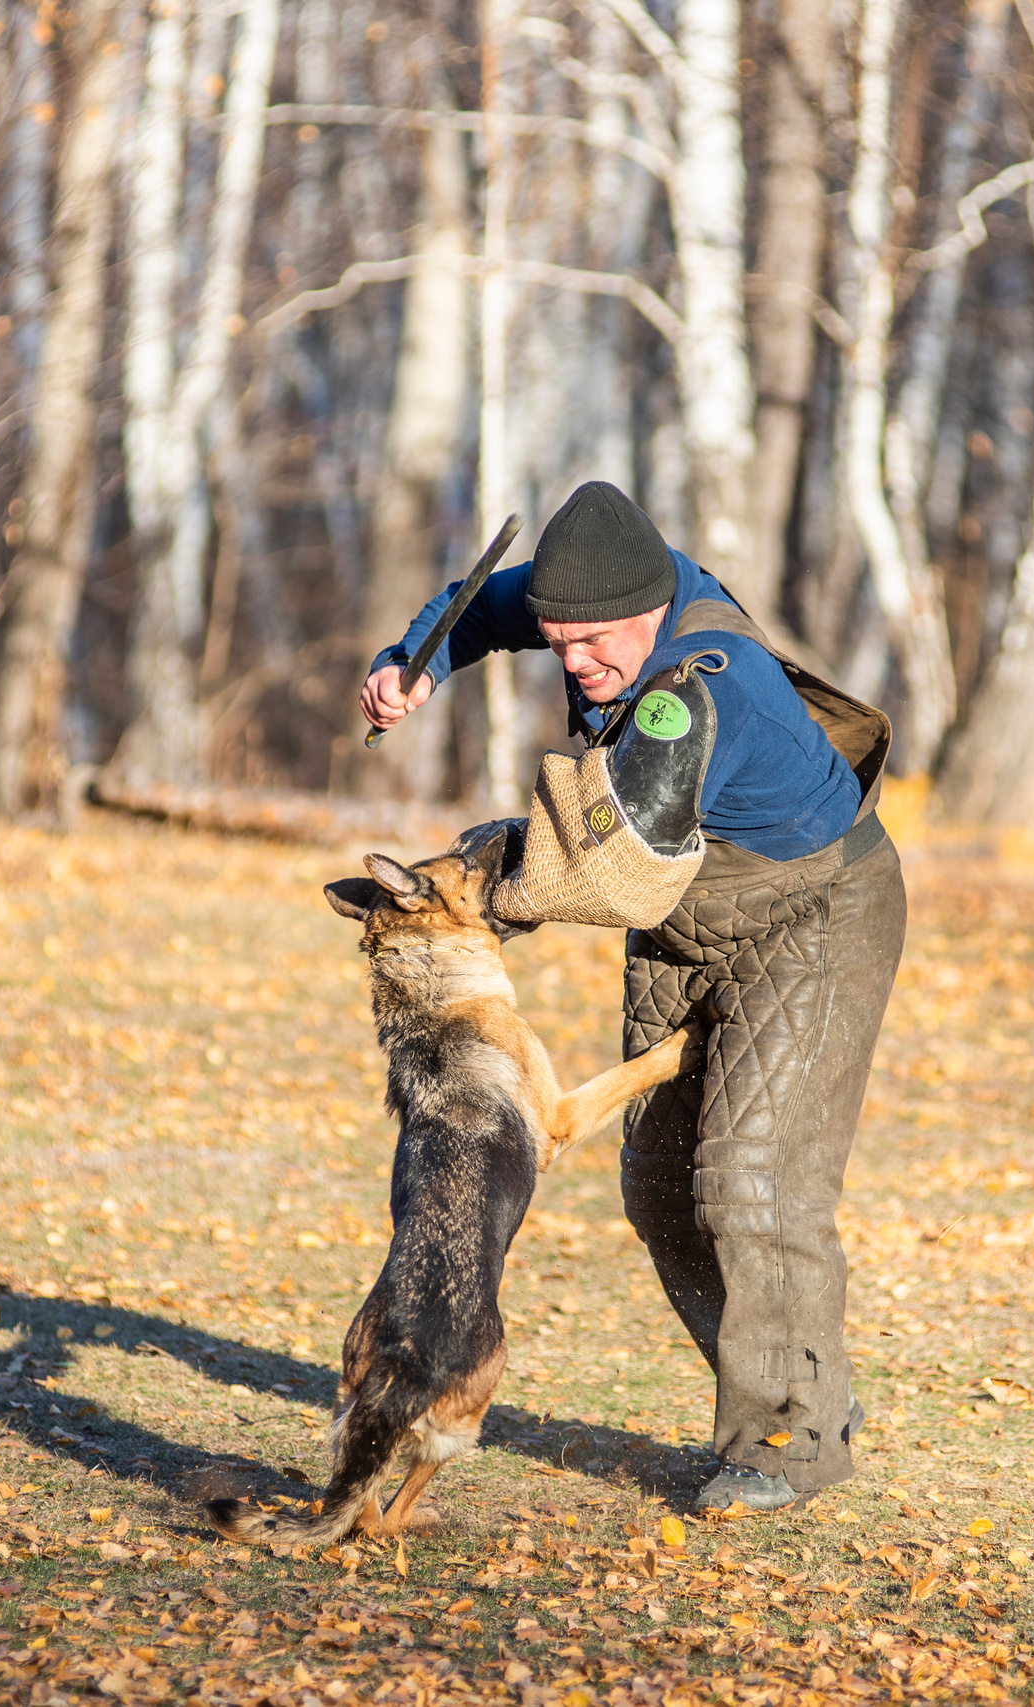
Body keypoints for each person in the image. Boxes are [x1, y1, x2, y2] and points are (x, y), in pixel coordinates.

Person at [358, 480, 906, 1513]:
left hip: (814, 915)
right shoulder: (595, 597)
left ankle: (789, 1438)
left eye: (597, 643)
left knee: (747, 1176)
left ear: (652, 609)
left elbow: (603, 876)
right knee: (655, 1187)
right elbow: (481, 602)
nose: (577, 663)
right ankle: (804, 1385)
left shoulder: (699, 691)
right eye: (559, 641)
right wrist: (412, 661)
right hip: (686, 917)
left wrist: (469, 898)